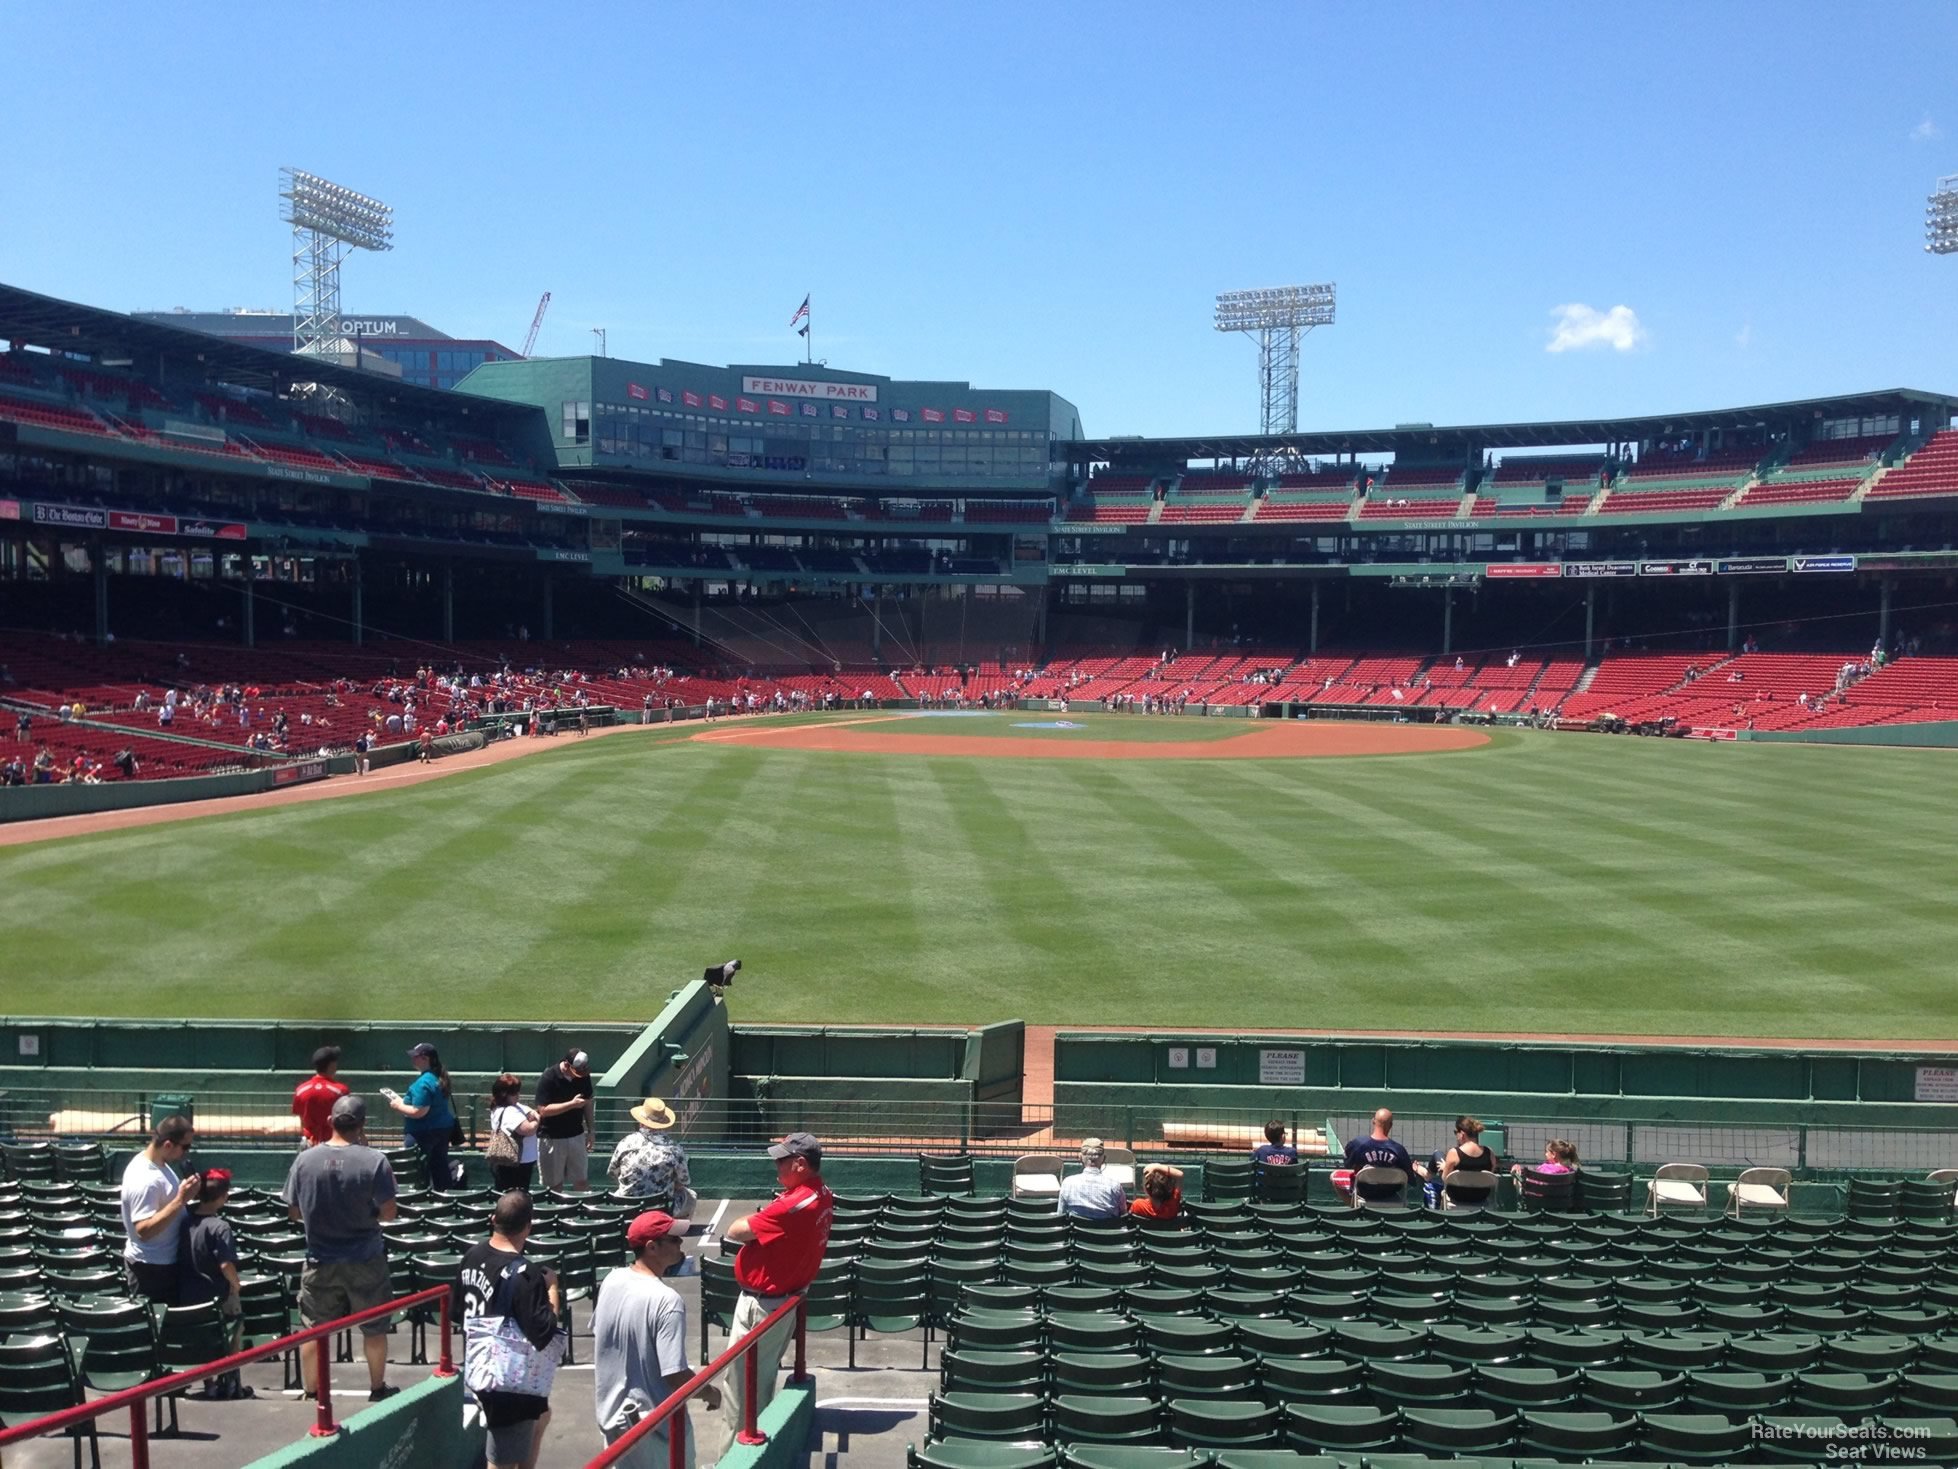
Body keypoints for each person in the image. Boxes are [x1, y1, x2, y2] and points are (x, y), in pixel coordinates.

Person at [282, 1094, 398, 1402]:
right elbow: (389, 1212)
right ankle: (376, 1386)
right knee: (374, 1327)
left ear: (332, 1121)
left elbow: (293, 1212)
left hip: (319, 1257)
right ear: (361, 1126)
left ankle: (311, 1391)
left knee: (312, 1328)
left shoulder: (304, 1160)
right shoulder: (375, 1160)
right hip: (365, 1258)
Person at [722, 1133, 833, 1446]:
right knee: (758, 1384)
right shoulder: (821, 1192)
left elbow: (736, 1230)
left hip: (764, 1306)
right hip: (781, 1302)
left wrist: (765, 1214)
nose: (776, 1166)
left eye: (781, 1160)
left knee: (741, 1392)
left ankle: (732, 1459)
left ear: (799, 1164)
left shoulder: (794, 1205)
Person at [593, 1210, 714, 1469]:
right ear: (652, 1247)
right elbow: (676, 1374)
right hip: (653, 1428)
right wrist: (710, 1393)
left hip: (614, 1424)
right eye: (673, 1239)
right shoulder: (667, 1300)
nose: (681, 1244)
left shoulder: (611, 1280)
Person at [459, 1190, 566, 1469]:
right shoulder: (525, 1274)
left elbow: (457, 1310)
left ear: (494, 1220)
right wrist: (552, 1288)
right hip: (507, 1375)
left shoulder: (472, 1255)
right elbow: (544, 1332)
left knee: (541, 1416)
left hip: (476, 1363)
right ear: (528, 1227)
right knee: (501, 1461)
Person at [179, 1167, 251, 1399]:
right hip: (218, 1293)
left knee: (205, 1339)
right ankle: (231, 1384)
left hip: (190, 1293)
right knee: (233, 1336)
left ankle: (209, 1384)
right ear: (223, 1197)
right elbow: (225, 1265)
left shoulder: (185, 1221)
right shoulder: (220, 1227)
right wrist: (236, 1284)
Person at [120, 1115, 198, 1303]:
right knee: (156, 1328)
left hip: (163, 1265)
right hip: (151, 1269)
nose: (186, 1153)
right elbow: (143, 1231)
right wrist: (180, 1200)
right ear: (169, 1145)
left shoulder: (159, 1164)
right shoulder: (146, 1179)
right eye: (185, 1147)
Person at [607, 1096, 697, 1216]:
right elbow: (684, 1181)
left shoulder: (625, 1142)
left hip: (627, 1205)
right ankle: (672, 1230)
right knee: (691, 1195)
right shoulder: (674, 1149)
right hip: (660, 1208)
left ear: (641, 1121)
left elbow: (613, 1172)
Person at [387, 1042, 457, 1191]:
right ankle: (444, 1200)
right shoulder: (437, 1077)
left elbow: (419, 1112)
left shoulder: (424, 1082)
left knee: (418, 1170)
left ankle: (420, 1200)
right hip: (442, 1129)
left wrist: (398, 1105)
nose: (413, 1059)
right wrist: (401, 1101)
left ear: (425, 1058)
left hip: (423, 1133)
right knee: (440, 1167)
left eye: (416, 1056)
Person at [533, 1050, 595, 1193]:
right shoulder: (549, 1077)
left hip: (576, 1135)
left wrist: (591, 1131)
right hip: (552, 1137)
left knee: (581, 1181)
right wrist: (571, 1104)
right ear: (567, 1065)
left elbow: (587, 1103)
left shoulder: (583, 1077)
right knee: (554, 1185)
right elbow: (543, 1110)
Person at [1340, 1108, 1426, 1204]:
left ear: (1373, 1121)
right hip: (1389, 1193)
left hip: (1364, 1192)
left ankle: (1353, 1210)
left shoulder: (1357, 1144)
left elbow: (1347, 1166)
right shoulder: (1399, 1150)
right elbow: (1411, 1180)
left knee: (1334, 1176)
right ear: (1391, 1125)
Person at [488, 1074, 543, 1194]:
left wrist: (532, 1113)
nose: (518, 1096)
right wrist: (536, 1121)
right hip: (516, 1164)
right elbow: (528, 1130)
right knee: (515, 1198)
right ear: (504, 1094)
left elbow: (525, 1109)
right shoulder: (510, 1112)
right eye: (514, 1093)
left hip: (508, 1162)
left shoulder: (498, 1107)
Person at [292, 1045, 350, 1148]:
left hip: (309, 1144)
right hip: (334, 1143)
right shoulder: (341, 1091)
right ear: (332, 1065)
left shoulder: (301, 1090)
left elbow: (301, 1118)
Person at [1056, 1138, 1127, 1220]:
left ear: (1080, 1158)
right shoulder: (1115, 1186)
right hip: (1106, 1231)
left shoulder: (1067, 1183)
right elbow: (1123, 1215)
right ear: (1104, 1159)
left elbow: (1060, 1215)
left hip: (1076, 1232)